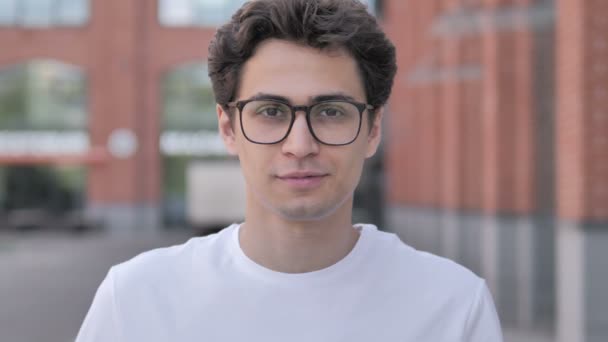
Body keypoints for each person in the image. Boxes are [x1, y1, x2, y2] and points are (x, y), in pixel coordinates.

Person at [76, 0, 503, 341]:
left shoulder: (453, 306)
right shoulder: (135, 299)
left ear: (372, 129)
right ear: (229, 129)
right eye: (271, 111)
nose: (300, 146)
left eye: (331, 111)